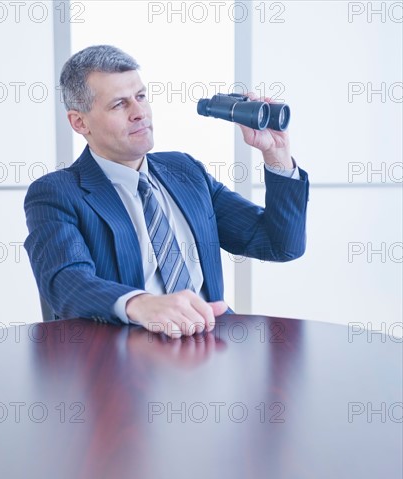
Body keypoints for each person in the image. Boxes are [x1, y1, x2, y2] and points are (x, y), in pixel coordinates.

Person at [24, 45, 309, 338]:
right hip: (123, 357)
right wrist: (142, 304)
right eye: (119, 104)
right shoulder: (56, 193)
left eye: (141, 97)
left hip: (211, 343)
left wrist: (277, 155)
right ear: (79, 122)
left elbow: (280, 244)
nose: (139, 113)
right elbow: (65, 280)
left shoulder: (185, 171)